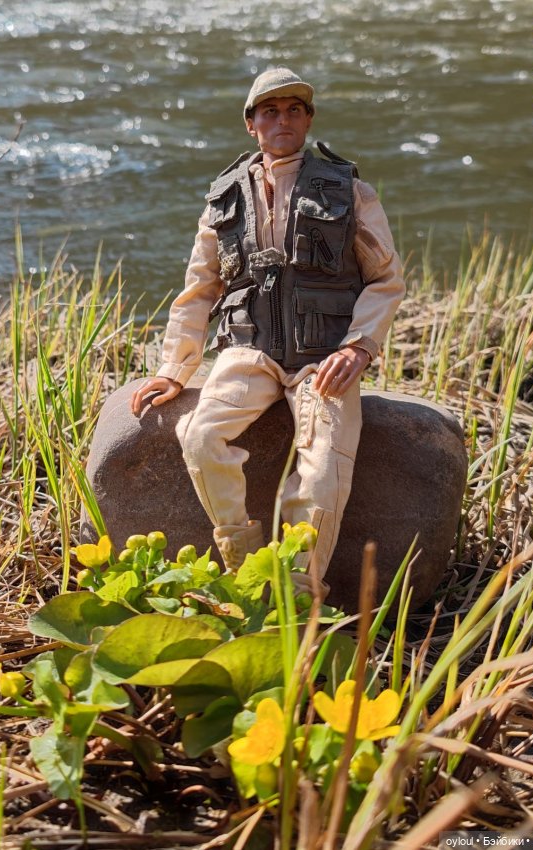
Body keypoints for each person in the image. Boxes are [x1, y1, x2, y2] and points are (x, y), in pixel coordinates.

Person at [130, 67, 405, 593]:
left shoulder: (349, 191)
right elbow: (200, 288)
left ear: (309, 120)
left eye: (295, 110)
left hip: (324, 356)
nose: (284, 120)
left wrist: (359, 346)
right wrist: (174, 368)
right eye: (271, 111)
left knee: (323, 470)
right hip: (248, 350)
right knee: (201, 435)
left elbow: (386, 279)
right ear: (251, 124)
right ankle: (246, 568)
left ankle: (298, 594)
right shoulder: (223, 200)